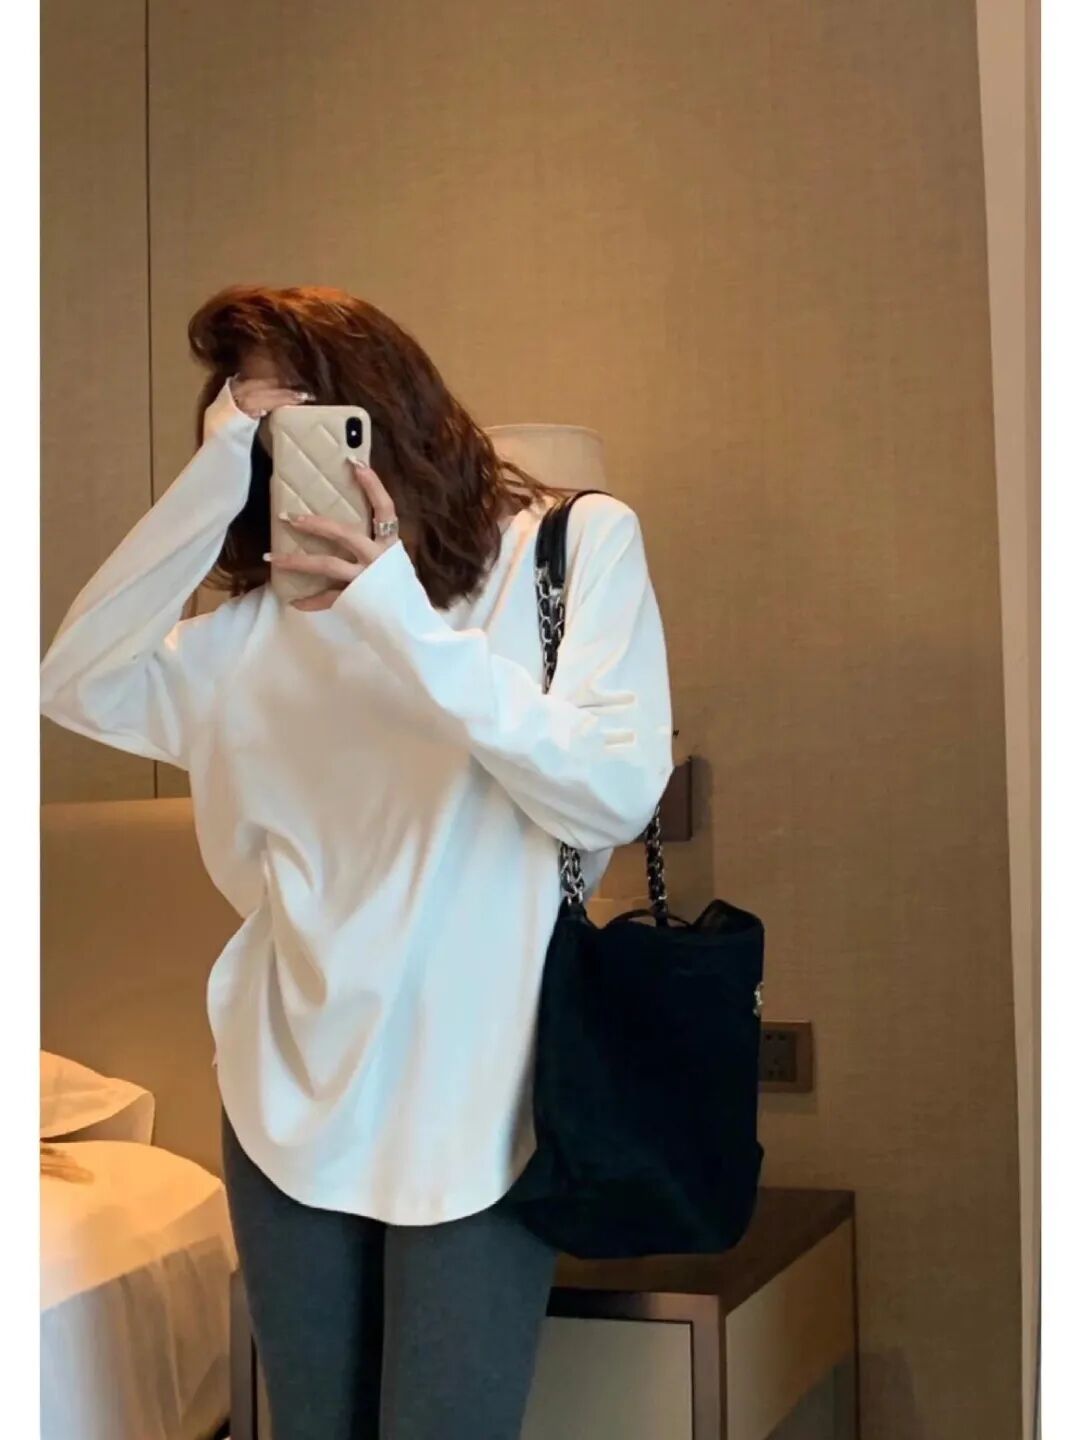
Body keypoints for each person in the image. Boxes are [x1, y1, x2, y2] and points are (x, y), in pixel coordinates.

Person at [40, 284, 674, 1440]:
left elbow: (612, 789)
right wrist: (214, 474)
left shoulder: (571, 546)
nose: (288, 458)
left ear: (384, 412)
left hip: (484, 1088)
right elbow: (73, 681)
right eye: (254, 431)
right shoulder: (247, 637)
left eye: (300, 423)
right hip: (284, 1088)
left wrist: (394, 611)